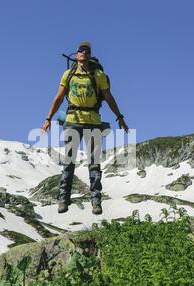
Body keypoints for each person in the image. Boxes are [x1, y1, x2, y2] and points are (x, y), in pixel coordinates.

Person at [41, 41, 129, 215]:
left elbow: (108, 97)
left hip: (93, 121)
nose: (83, 52)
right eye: (81, 50)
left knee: (94, 164)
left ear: (89, 55)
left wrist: (120, 117)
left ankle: (96, 202)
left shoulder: (98, 75)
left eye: (86, 51)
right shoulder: (69, 74)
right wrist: (48, 118)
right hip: (73, 119)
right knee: (68, 163)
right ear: (76, 54)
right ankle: (63, 200)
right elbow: (59, 97)